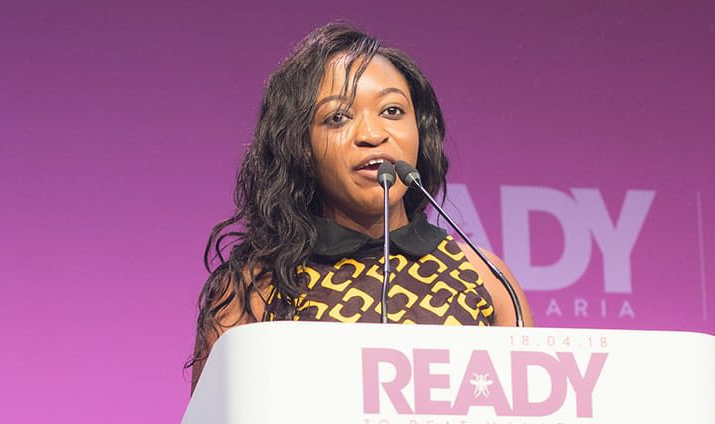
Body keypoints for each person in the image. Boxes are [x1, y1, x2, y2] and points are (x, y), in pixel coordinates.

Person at [187, 22, 534, 393]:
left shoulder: (485, 280)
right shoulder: (254, 289)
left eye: (393, 111)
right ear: (299, 147)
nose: (371, 134)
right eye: (338, 117)